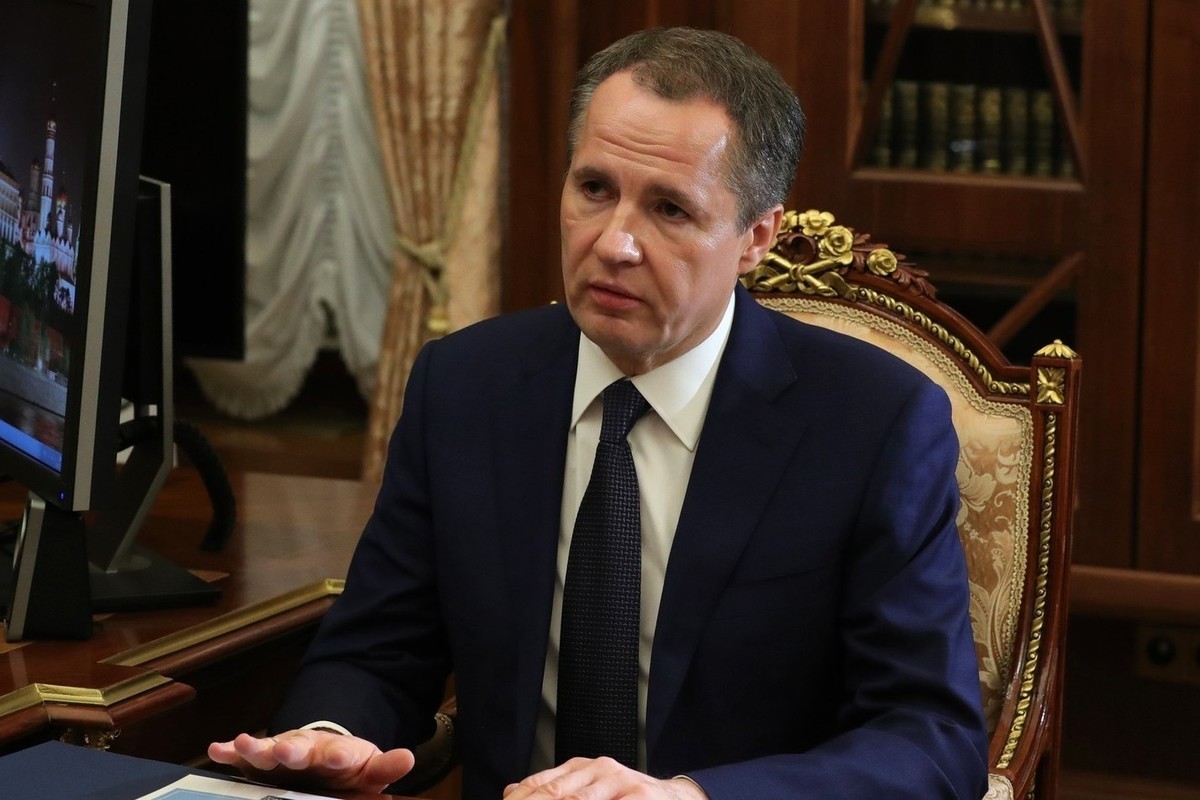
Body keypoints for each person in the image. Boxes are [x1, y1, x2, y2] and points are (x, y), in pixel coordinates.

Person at [209, 26, 988, 799]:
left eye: (670, 209)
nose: (614, 243)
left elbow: (930, 739)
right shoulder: (466, 386)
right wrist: (333, 737)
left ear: (756, 238)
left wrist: (690, 797)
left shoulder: (874, 424)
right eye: (594, 190)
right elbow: (377, 651)